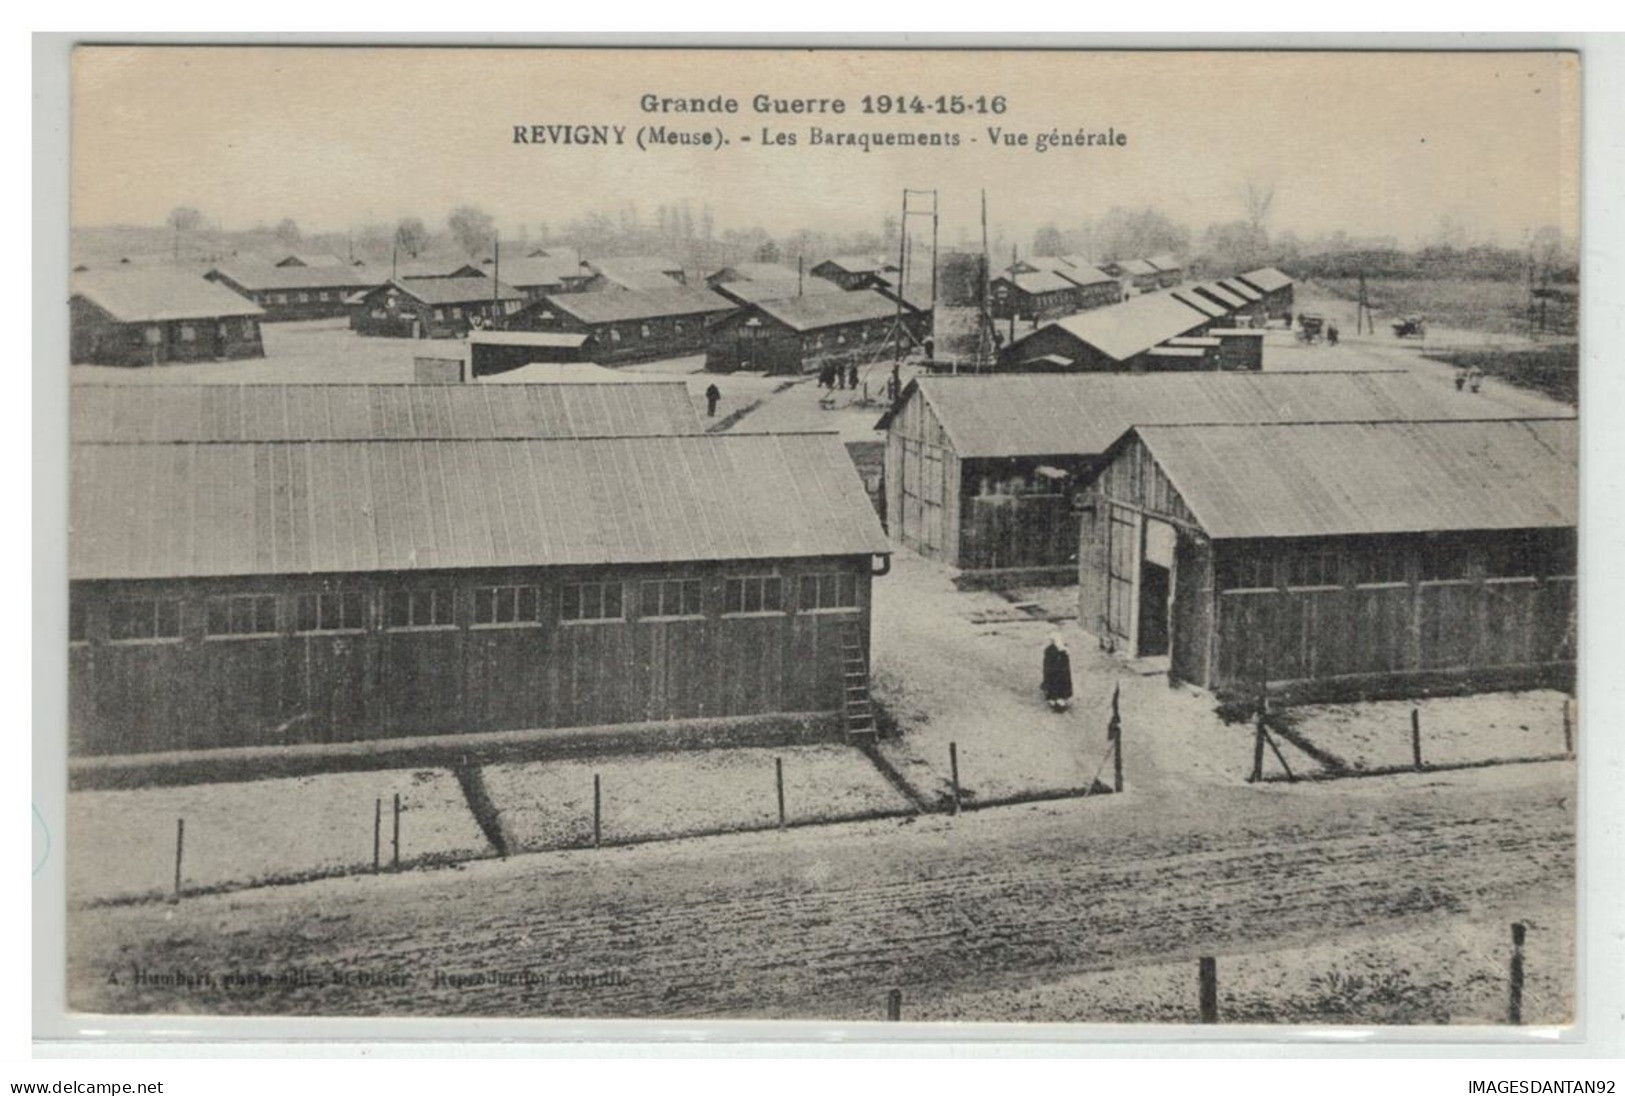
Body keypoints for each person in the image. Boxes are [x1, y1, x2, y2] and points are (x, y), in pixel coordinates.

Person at [1042, 633, 1074, 713]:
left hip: (1057, 672)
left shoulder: (1055, 651)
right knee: (1056, 681)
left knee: (1057, 682)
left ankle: (1055, 697)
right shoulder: (1053, 651)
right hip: (1055, 672)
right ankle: (1055, 697)